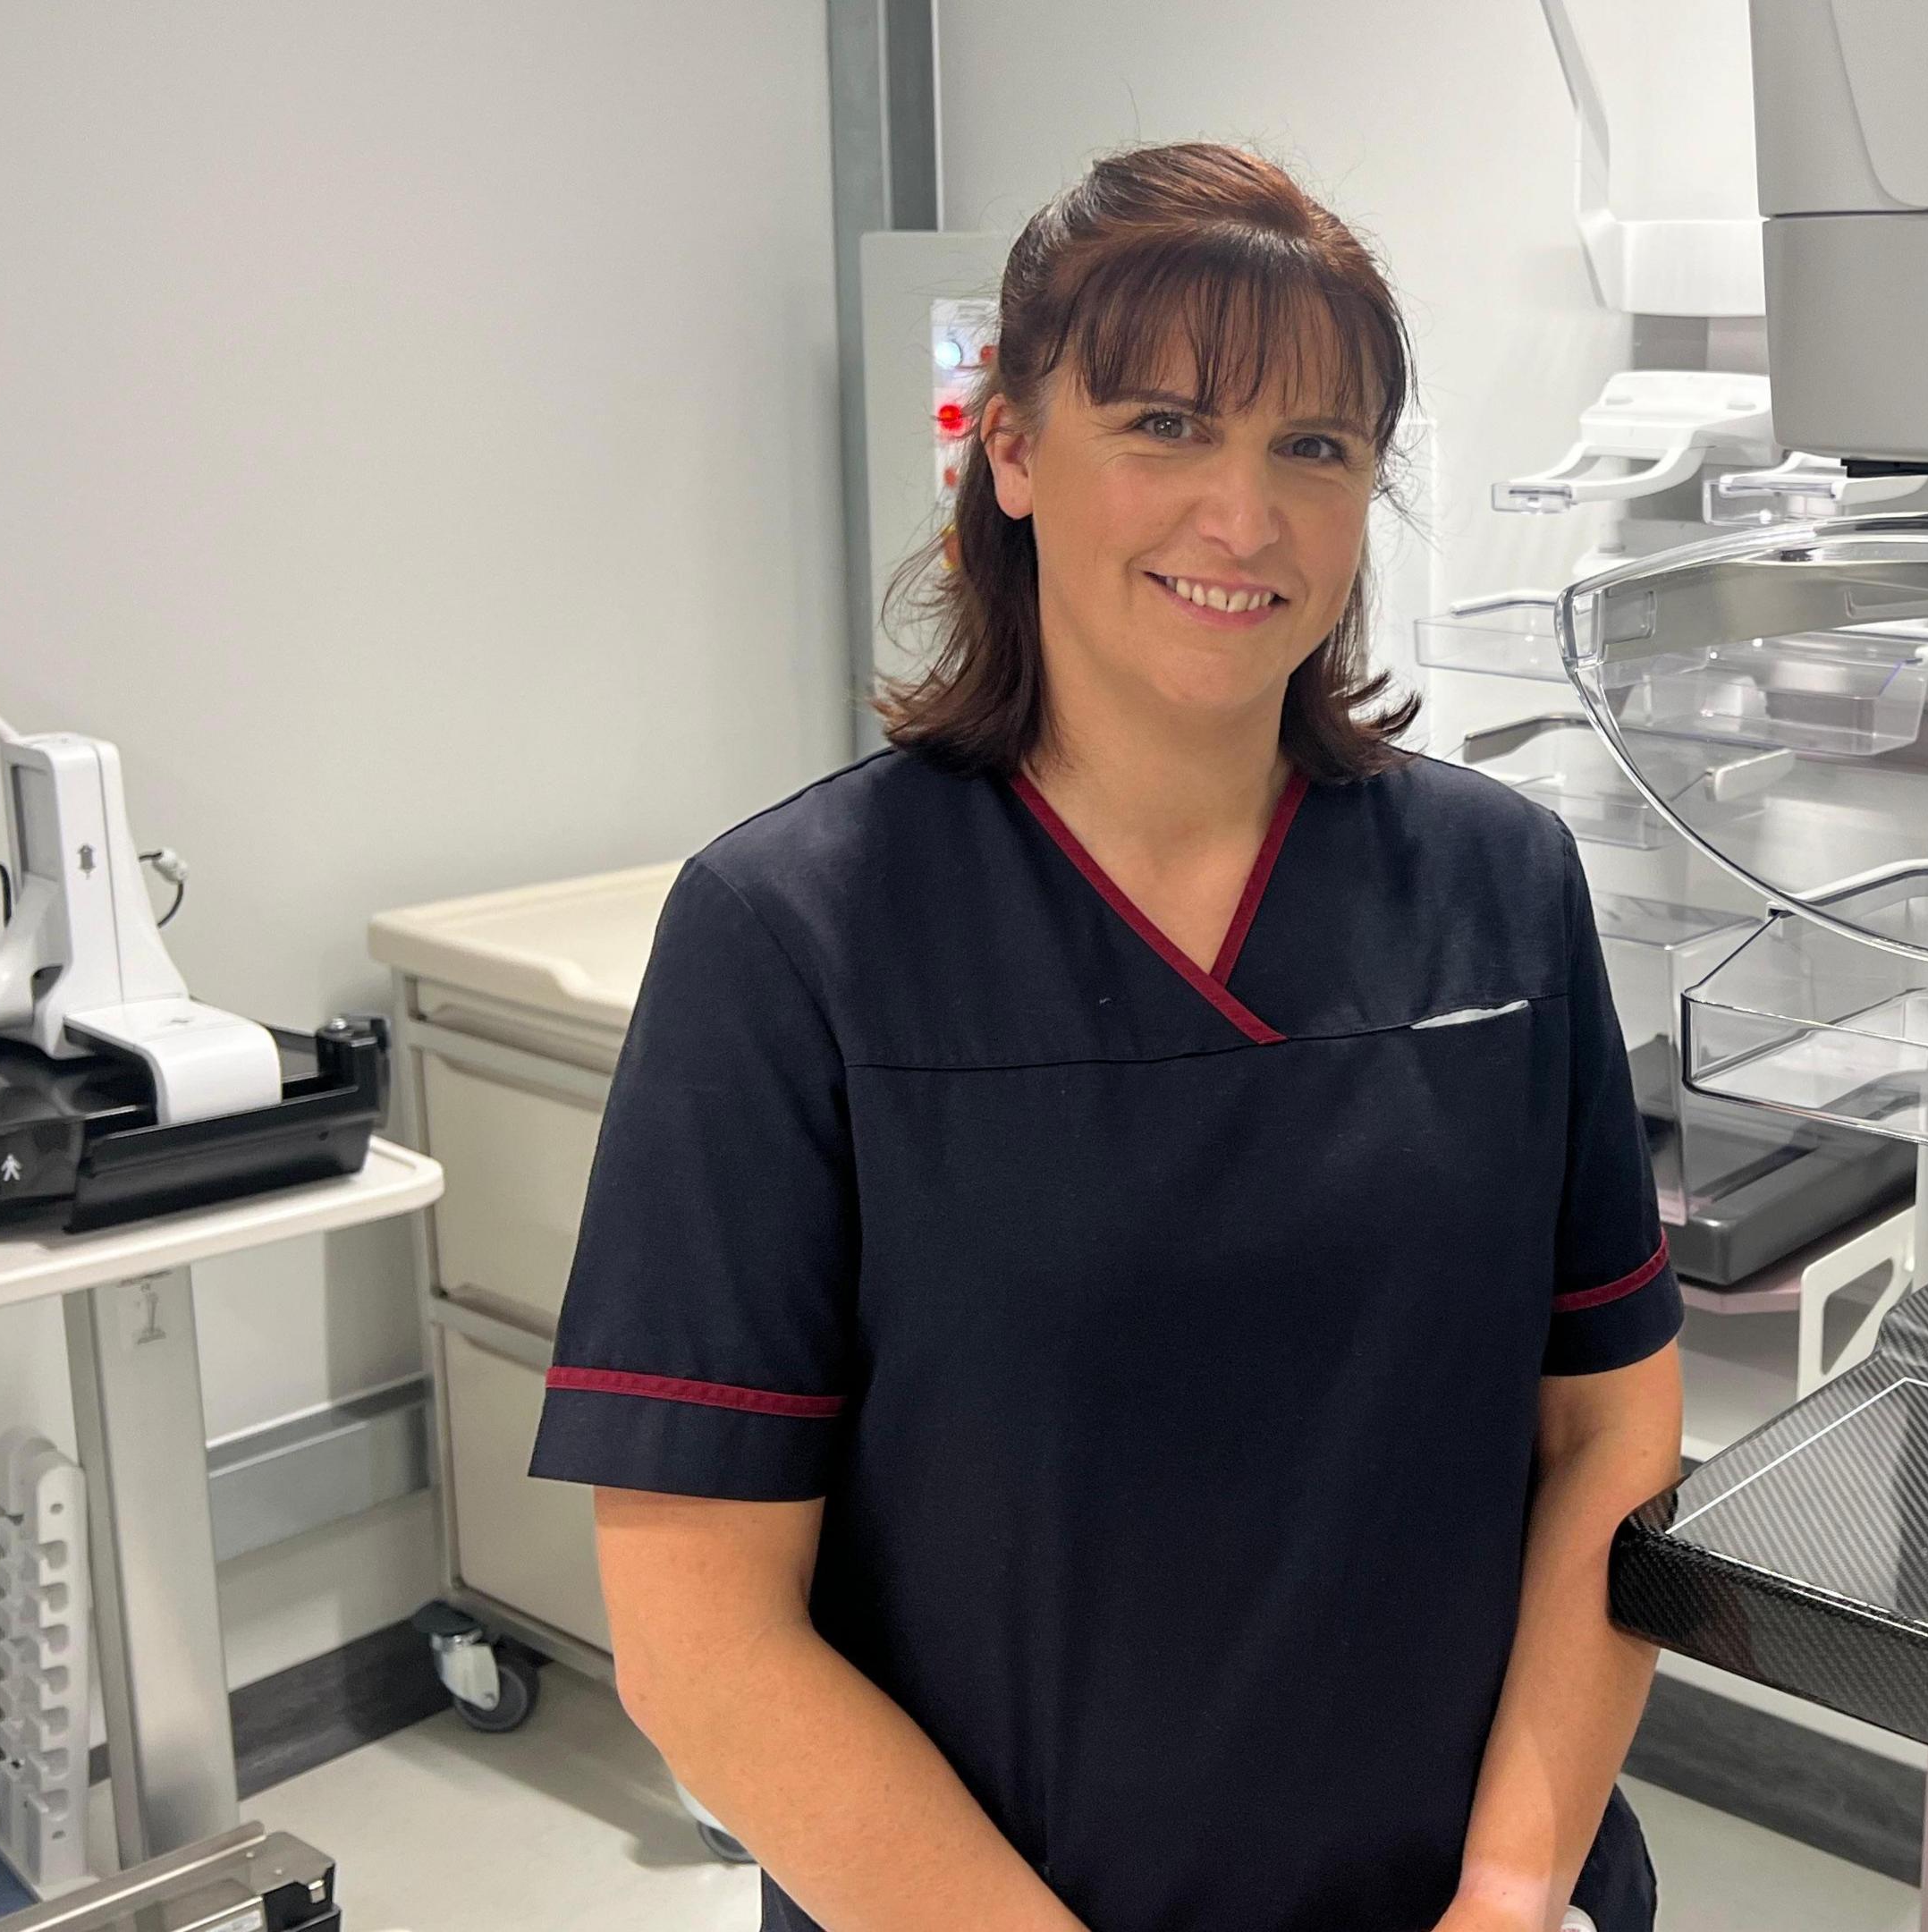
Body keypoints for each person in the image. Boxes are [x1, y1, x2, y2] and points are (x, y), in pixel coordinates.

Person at [527, 142, 1686, 1932]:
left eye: (1316, 447)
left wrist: (1518, 1887)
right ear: (1006, 449)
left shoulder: (1500, 889)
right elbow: (701, 1638)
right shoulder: (796, 940)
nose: (1245, 517)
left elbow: (1611, 1441)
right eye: (1163, 424)